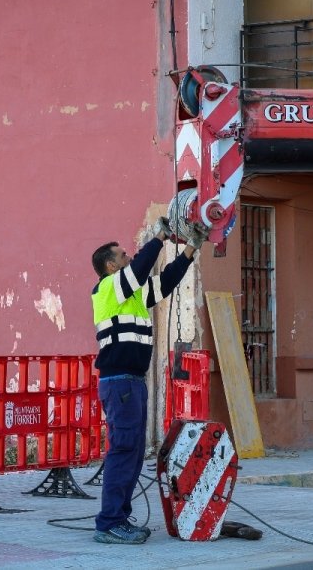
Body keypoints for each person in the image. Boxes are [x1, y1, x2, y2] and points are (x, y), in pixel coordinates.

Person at [90, 216, 209, 544]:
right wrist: (160, 237)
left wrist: (190, 250)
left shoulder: (132, 295)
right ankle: (110, 522)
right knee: (124, 450)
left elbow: (165, 281)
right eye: (123, 254)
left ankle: (118, 519)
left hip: (131, 383)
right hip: (121, 383)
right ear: (112, 266)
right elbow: (140, 268)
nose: (129, 256)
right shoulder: (107, 289)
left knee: (131, 451)